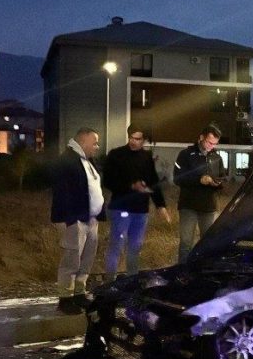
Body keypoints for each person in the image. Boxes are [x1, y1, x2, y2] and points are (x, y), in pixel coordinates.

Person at [102, 125, 172, 277]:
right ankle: (110, 280)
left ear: (143, 140)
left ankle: (132, 279)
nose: (133, 141)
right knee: (116, 245)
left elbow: (153, 182)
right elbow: (107, 181)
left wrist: (161, 206)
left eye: (138, 139)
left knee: (135, 247)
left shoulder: (146, 157)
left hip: (140, 211)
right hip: (120, 208)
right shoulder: (116, 155)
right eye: (131, 138)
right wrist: (131, 186)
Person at [50, 128, 105, 315]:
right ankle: (65, 299)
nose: (97, 146)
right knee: (71, 259)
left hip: (91, 219)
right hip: (75, 219)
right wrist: (69, 219)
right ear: (83, 141)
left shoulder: (86, 160)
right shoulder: (67, 160)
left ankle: (79, 293)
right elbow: (61, 192)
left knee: (87, 258)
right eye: (94, 142)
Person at [174, 124, 226, 263]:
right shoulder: (185, 155)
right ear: (201, 137)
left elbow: (222, 178)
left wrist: (217, 183)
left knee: (207, 243)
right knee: (186, 243)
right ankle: (183, 271)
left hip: (208, 206)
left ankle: (204, 270)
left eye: (215, 143)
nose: (212, 146)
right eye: (209, 142)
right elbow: (177, 178)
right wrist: (199, 180)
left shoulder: (217, 157)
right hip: (188, 205)